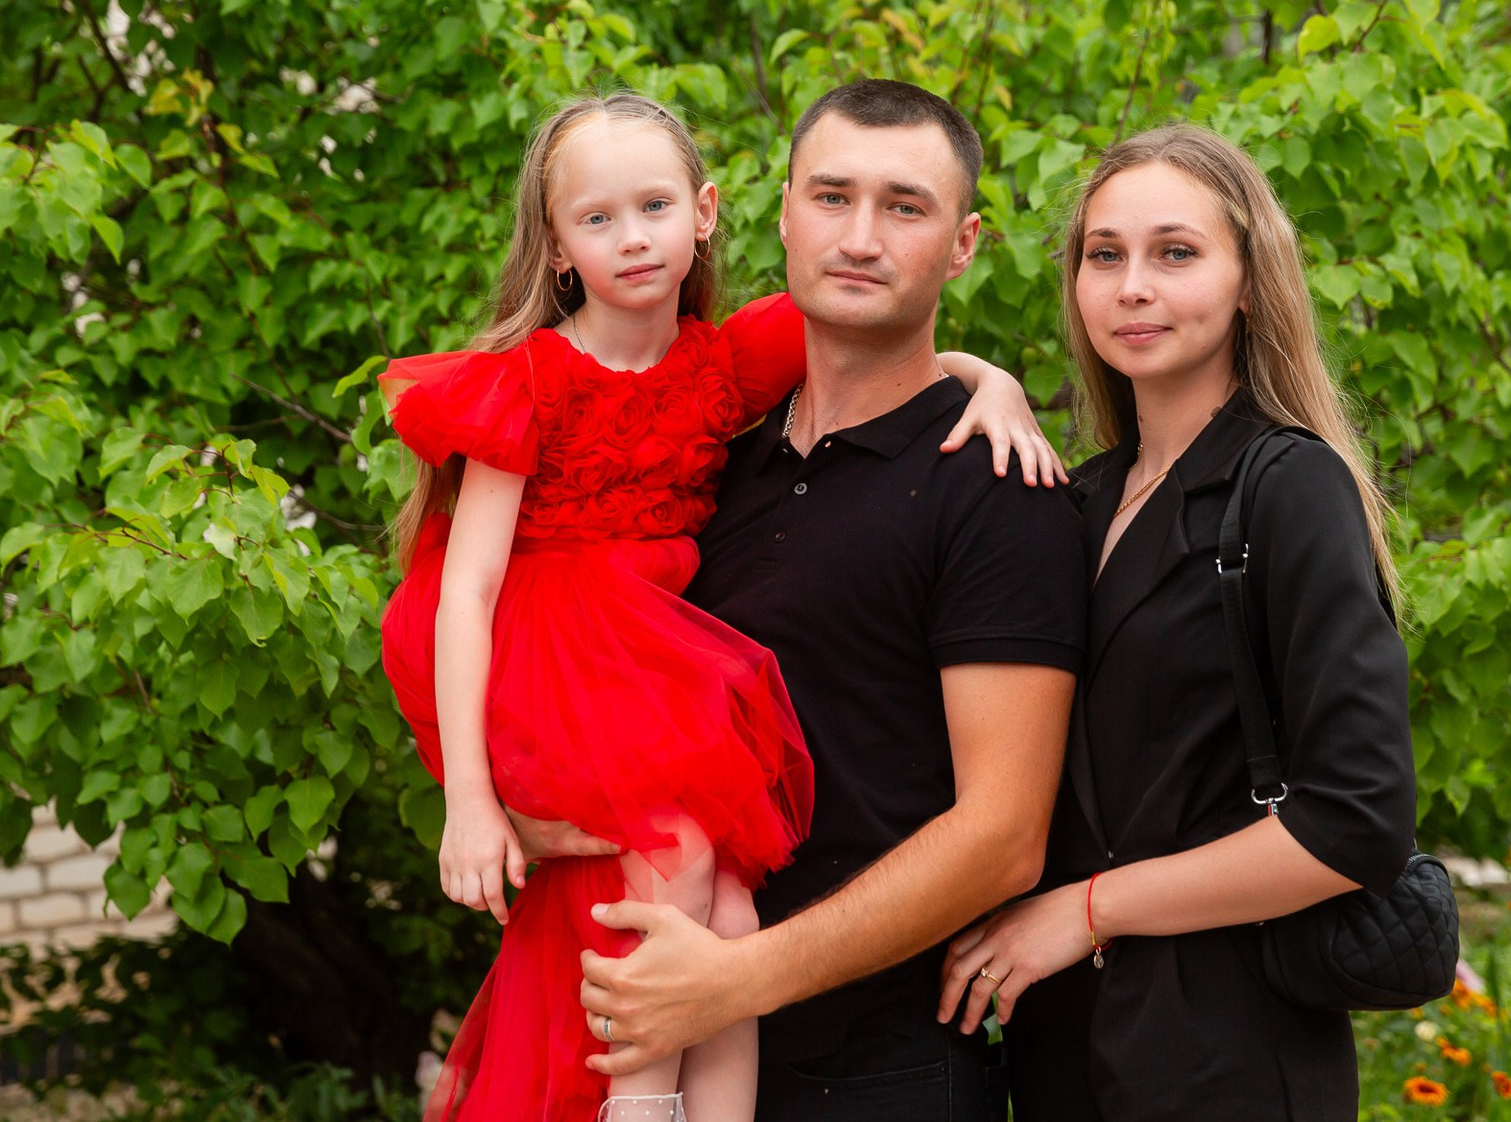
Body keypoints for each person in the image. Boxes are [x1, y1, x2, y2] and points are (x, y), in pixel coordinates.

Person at [376, 91, 1057, 1122]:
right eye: (597, 218)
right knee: (686, 863)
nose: (630, 237)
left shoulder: (745, 379)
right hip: (564, 667)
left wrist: (989, 381)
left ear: (704, 213)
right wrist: (476, 800)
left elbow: (884, 336)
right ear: (556, 247)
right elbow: (468, 591)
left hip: (876, 1056)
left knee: (722, 907)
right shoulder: (604, 406)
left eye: (654, 207)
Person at [574, 79, 1089, 1122]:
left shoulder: (997, 488)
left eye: (905, 206)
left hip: (879, 1078)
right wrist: (534, 816)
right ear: (783, 214)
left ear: (963, 244)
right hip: (665, 1054)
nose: (859, 237)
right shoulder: (713, 461)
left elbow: (1003, 834)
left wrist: (737, 976)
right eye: (832, 196)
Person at [936, 123, 1417, 1121]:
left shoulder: (1288, 486)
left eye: (1176, 253)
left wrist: (1088, 909)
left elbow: (1357, 821)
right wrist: (983, 377)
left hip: (1230, 1052)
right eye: (1105, 255)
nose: (1133, 287)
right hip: (1066, 1051)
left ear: (1250, 283)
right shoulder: (1077, 499)